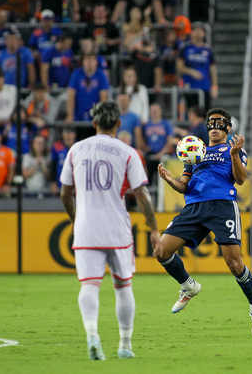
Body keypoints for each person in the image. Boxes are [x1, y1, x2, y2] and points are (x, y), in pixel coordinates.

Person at [60, 100, 160, 360]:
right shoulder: (127, 152)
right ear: (118, 122)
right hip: (116, 226)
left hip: (86, 226)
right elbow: (142, 195)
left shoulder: (76, 150)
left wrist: (74, 219)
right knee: (123, 286)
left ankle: (92, 334)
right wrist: (153, 228)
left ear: (94, 123)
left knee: (89, 286)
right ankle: (125, 345)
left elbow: (65, 193)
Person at [154, 108, 252, 336]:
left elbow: (241, 179)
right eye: (211, 124)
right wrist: (170, 180)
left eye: (219, 123)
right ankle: (188, 287)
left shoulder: (233, 150)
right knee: (161, 251)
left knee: (234, 264)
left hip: (222, 205)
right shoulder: (195, 151)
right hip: (194, 206)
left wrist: (235, 155)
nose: (214, 127)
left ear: (228, 128)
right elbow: (184, 185)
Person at [177, 24, 218, 112]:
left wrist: (214, 86)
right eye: (195, 30)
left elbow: (213, 70)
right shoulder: (185, 48)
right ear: (191, 32)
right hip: (189, 85)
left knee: (205, 112)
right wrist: (191, 71)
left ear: (204, 34)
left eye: (201, 31)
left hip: (205, 86)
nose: (198, 33)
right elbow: (179, 65)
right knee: (191, 111)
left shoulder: (208, 50)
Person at [66, 53, 109, 123]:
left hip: (95, 116)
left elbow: (103, 97)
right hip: (78, 114)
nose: (89, 62)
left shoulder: (101, 75)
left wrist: (101, 116)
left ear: (96, 62)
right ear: (83, 62)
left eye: (92, 59)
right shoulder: (76, 74)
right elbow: (71, 95)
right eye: (87, 59)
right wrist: (70, 115)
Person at [143, 103, 173, 184]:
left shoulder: (166, 124)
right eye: (153, 111)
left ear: (160, 112)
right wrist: (145, 147)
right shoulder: (146, 125)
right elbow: (142, 139)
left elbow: (169, 141)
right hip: (150, 154)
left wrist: (160, 154)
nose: (155, 113)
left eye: (156, 111)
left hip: (163, 153)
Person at [50, 126, 76, 195]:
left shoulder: (79, 147)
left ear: (74, 134)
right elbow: (53, 165)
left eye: (71, 133)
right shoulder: (57, 146)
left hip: (75, 184)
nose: (68, 135)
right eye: (66, 132)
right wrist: (53, 182)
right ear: (62, 134)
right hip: (60, 184)